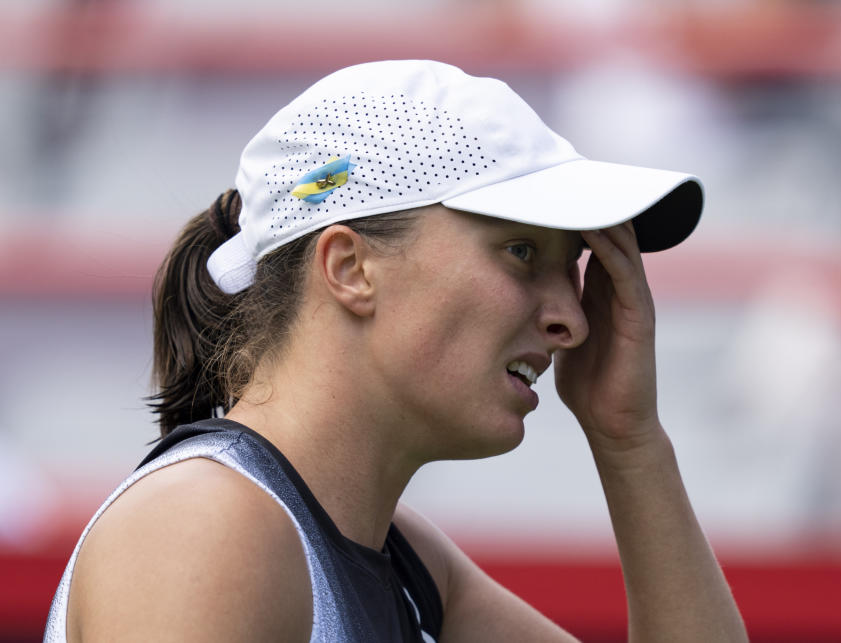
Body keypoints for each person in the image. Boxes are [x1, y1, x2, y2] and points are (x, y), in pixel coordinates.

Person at [44, 60, 746, 642]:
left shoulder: (407, 562)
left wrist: (630, 440)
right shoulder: (203, 525)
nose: (574, 319)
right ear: (350, 267)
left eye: (572, 267)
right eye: (522, 251)